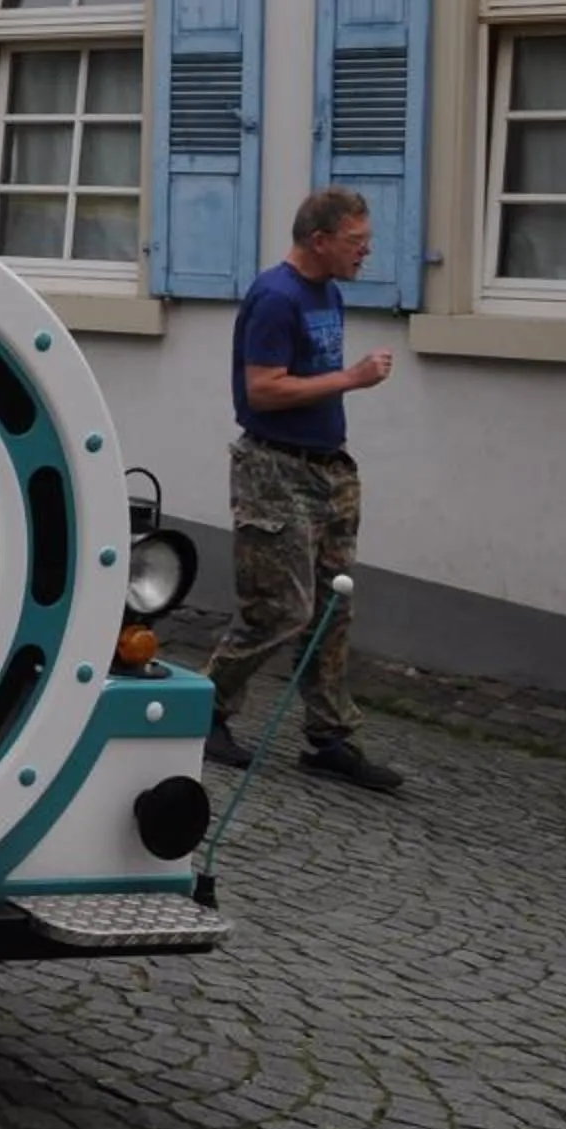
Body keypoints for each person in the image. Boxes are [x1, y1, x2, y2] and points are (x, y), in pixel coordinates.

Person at [205, 187, 404, 793]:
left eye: (366, 241)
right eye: (356, 240)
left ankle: (329, 739)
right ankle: (206, 712)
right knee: (281, 609)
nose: (365, 251)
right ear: (319, 240)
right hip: (273, 470)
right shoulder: (275, 296)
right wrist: (352, 378)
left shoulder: (329, 294)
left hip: (328, 470)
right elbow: (261, 390)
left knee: (332, 609)